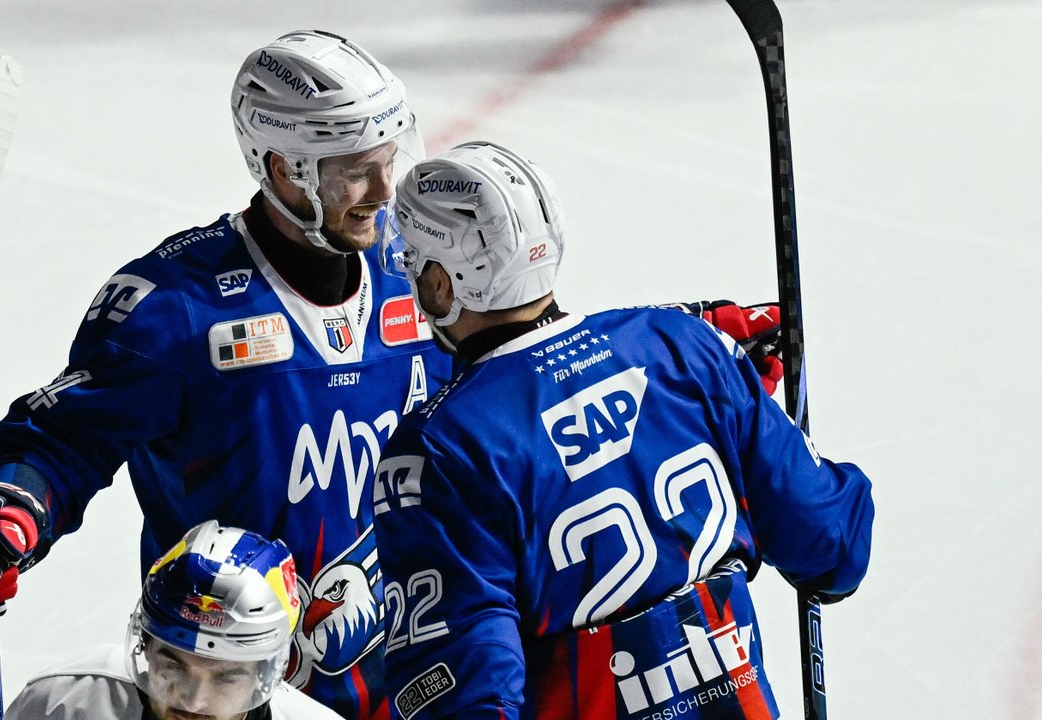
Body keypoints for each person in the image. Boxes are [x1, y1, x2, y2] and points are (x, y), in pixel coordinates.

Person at [0, 30, 446, 719]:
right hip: (220, 694)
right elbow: (63, 442)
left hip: (415, 679)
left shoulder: (421, 270)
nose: (383, 191)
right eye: (355, 169)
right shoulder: (176, 307)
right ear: (283, 168)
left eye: (387, 160)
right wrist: (10, 514)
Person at [371, 141, 874, 719]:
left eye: (416, 265)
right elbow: (832, 547)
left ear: (442, 284)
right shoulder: (687, 346)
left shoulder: (440, 447)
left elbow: (464, 696)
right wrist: (736, 427)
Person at [5, 520, 343, 720]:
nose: (194, 701)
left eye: (226, 678)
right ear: (145, 649)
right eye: (173, 666)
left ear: (263, 676)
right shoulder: (62, 706)